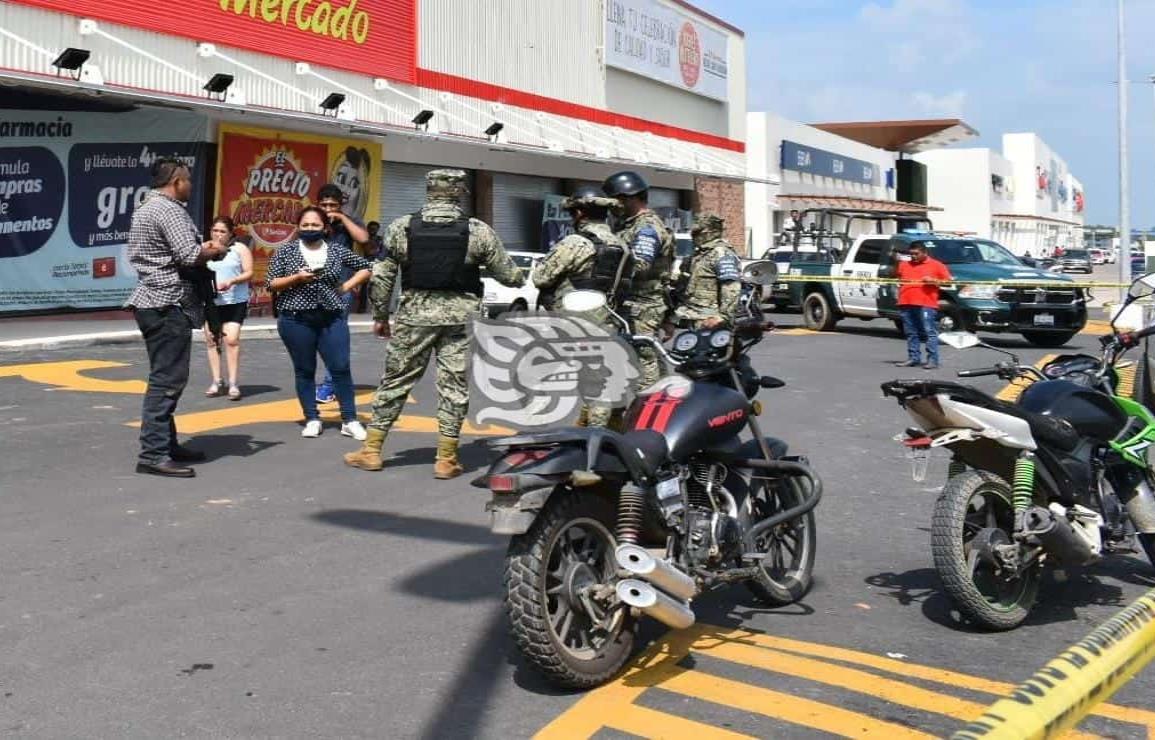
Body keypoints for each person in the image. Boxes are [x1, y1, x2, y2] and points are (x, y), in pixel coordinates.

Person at [344, 169, 524, 477]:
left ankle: (372, 450)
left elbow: (383, 277)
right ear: (459, 193)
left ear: (428, 190)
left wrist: (380, 316)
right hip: (461, 319)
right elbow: (509, 275)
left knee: (396, 381)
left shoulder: (402, 227)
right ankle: (446, 458)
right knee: (453, 385)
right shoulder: (478, 230)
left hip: (415, 316)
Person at [125, 157, 227, 478]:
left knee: (163, 375)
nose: (191, 186)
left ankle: (166, 444)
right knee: (167, 381)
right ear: (177, 181)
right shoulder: (169, 210)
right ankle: (153, 454)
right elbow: (189, 255)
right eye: (189, 180)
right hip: (168, 302)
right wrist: (216, 249)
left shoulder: (145, 207)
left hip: (151, 300)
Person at [266, 206, 373, 438]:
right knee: (305, 370)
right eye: (305, 225)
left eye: (315, 225)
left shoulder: (336, 250)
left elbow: (366, 267)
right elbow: (271, 283)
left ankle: (350, 419)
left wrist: (345, 286)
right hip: (296, 319)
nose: (310, 229)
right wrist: (296, 278)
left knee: (340, 367)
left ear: (325, 228)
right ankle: (312, 418)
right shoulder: (286, 251)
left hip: (331, 317)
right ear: (298, 227)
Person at [533, 186, 633, 427]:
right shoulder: (623, 244)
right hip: (609, 319)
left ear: (579, 214)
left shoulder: (575, 243)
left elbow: (541, 277)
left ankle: (595, 440)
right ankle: (612, 429)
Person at [602, 170, 675, 390]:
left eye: (617, 200)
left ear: (630, 197)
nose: (614, 206)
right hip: (632, 303)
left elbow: (641, 264)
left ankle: (651, 409)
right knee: (647, 358)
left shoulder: (646, 227)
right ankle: (664, 402)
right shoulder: (629, 224)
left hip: (642, 305)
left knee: (644, 360)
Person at [314, 184, 369, 403]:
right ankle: (336, 380)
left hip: (341, 289)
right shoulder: (313, 221)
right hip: (314, 290)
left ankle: (329, 385)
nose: (328, 209)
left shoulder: (350, 222)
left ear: (340, 205)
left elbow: (363, 239)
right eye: (324, 205)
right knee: (318, 339)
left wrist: (342, 218)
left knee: (334, 337)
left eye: (333, 205)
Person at [203, 216, 253, 401]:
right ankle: (217, 381)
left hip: (235, 301)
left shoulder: (239, 249)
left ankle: (233, 382)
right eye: (215, 230)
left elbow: (249, 272)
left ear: (231, 233)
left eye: (222, 231)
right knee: (211, 339)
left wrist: (232, 280)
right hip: (211, 301)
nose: (218, 235)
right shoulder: (204, 248)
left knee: (231, 339)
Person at [673, 213, 742, 330]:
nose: (693, 236)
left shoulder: (721, 253)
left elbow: (731, 288)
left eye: (697, 233)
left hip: (710, 320)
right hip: (691, 316)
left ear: (710, 232)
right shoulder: (698, 254)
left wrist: (722, 317)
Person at [894, 243, 952, 370]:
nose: (913, 256)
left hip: (926, 303)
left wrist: (934, 281)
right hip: (906, 302)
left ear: (925, 253)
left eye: (916, 254)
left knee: (929, 332)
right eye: (911, 254)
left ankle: (932, 360)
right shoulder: (904, 264)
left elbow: (948, 282)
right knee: (910, 332)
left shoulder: (937, 265)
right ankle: (913, 358)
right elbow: (898, 277)